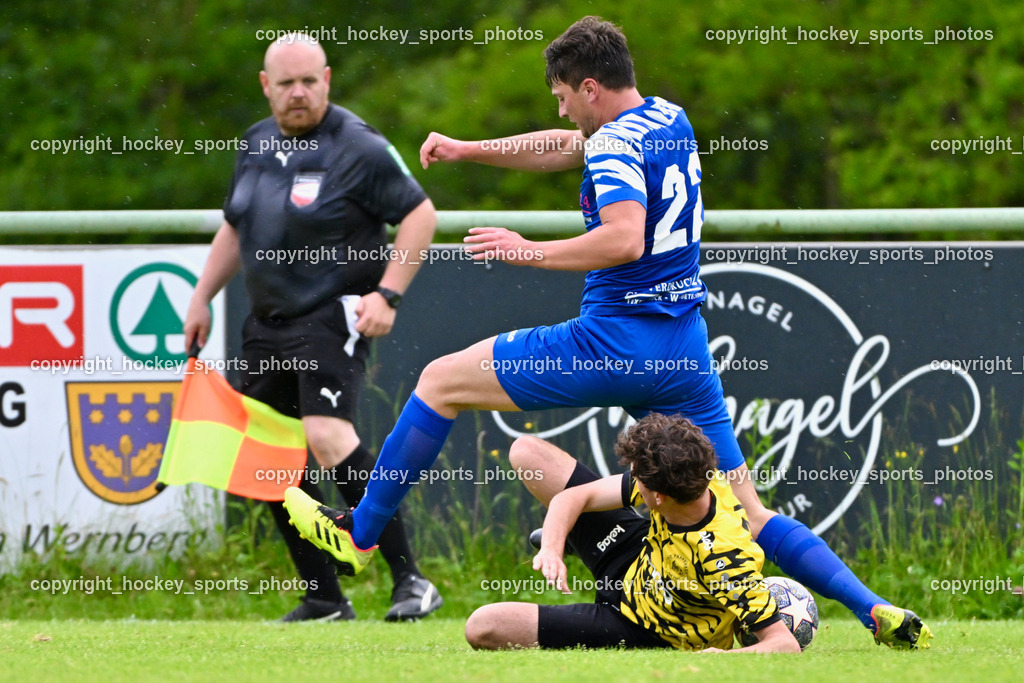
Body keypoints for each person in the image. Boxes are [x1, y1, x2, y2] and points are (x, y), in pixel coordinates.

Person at [284, 17, 931, 647]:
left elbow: (624, 238)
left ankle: (362, 532)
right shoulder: (665, 118)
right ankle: (874, 609)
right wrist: (471, 150)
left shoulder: (614, 143)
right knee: (750, 513)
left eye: (564, 98)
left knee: (438, 382)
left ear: (589, 87)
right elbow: (569, 146)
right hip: (682, 348)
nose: (563, 111)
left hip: (615, 343)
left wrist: (527, 250)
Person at [183, 32, 442, 622]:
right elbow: (236, 226)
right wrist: (201, 297)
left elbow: (420, 214)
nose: (298, 93)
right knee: (271, 455)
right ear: (265, 86)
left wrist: (388, 294)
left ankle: (412, 580)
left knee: (326, 435)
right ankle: (324, 596)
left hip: (330, 313)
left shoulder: (358, 146)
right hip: (266, 322)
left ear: (326, 79)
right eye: (286, 83)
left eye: (308, 81)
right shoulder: (254, 143)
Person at [466, 414, 800, 653]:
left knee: (482, 627)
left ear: (659, 497)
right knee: (527, 451)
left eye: (636, 476)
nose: (631, 477)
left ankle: (574, 537)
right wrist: (551, 548)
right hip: (636, 552)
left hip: (644, 628)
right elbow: (573, 497)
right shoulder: (693, 476)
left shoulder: (725, 560)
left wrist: (724, 657)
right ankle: (569, 539)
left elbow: (783, 644)